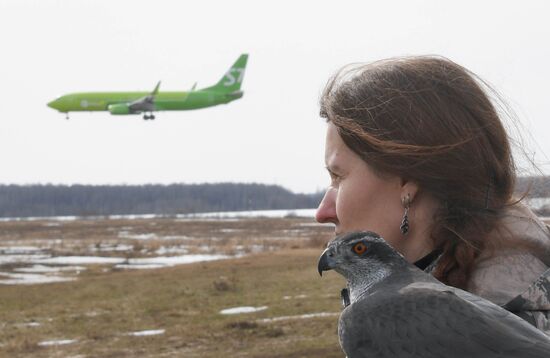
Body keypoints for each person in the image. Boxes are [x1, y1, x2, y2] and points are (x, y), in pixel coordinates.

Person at [315, 56, 550, 335]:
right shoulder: (457, 318)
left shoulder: (488, 334)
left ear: (407, 182)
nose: (322, 212)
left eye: (338, 177)